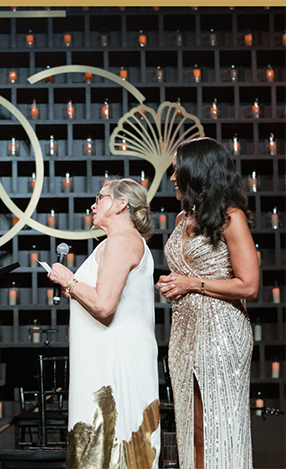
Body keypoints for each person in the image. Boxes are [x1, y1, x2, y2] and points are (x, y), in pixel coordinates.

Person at [157, 137, 258, 469]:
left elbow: (249, 285)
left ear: (198, 171)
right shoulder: (181, 219)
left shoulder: (231, 218)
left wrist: (192, 283)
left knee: (219, 427)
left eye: (177, 169)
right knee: (192, 427)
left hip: (221, 333)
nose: (172, 177)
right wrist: (172, 285)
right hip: (184, 332)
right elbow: (183, 273)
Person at [46, 178, 160, 468]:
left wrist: (68, 280)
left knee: (111, 444)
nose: (93, 204)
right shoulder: (123, 242)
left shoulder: (121, 241)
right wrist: (75, 289)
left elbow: (104, 304)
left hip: (113, 360)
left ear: (121, 204)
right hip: (107, 356)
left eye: (101, 197)